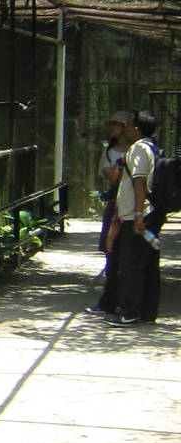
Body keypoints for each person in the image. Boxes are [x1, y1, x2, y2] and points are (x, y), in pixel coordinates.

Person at [105, 110, 163, 324]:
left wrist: (138, 215)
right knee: (147, 265)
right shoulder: (152, 147)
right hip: (148, 214)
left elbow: (139, 181)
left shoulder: (138, 148)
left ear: (136, 128)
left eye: (129, 124)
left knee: (130, 266)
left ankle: (129, 311)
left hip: (137, 216)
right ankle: (147, 312)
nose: (126, 128)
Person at [89, 111, 133, 315]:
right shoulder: (109, 152)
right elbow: (112, 177)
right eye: (111, 124)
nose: (112, 128)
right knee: (111, 251)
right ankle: (109, 301)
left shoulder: (139, 149)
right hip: (117, 203)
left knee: (132, 256)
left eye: (116, 124)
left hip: (135, 203)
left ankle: (129, 303)